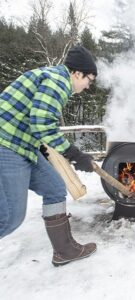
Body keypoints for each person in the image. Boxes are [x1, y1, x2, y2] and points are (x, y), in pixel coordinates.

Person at [0, 45, 98, 266]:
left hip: (25, 146)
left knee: (54, 188)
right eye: (89, 79)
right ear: (77, 73)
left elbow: (31, 118)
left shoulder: (52, 78)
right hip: (6, 145)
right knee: (9, 218)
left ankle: (64, 250)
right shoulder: (58, 82)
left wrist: (43, 147)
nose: (88, 85)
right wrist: (74, 153)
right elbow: (42, 123)